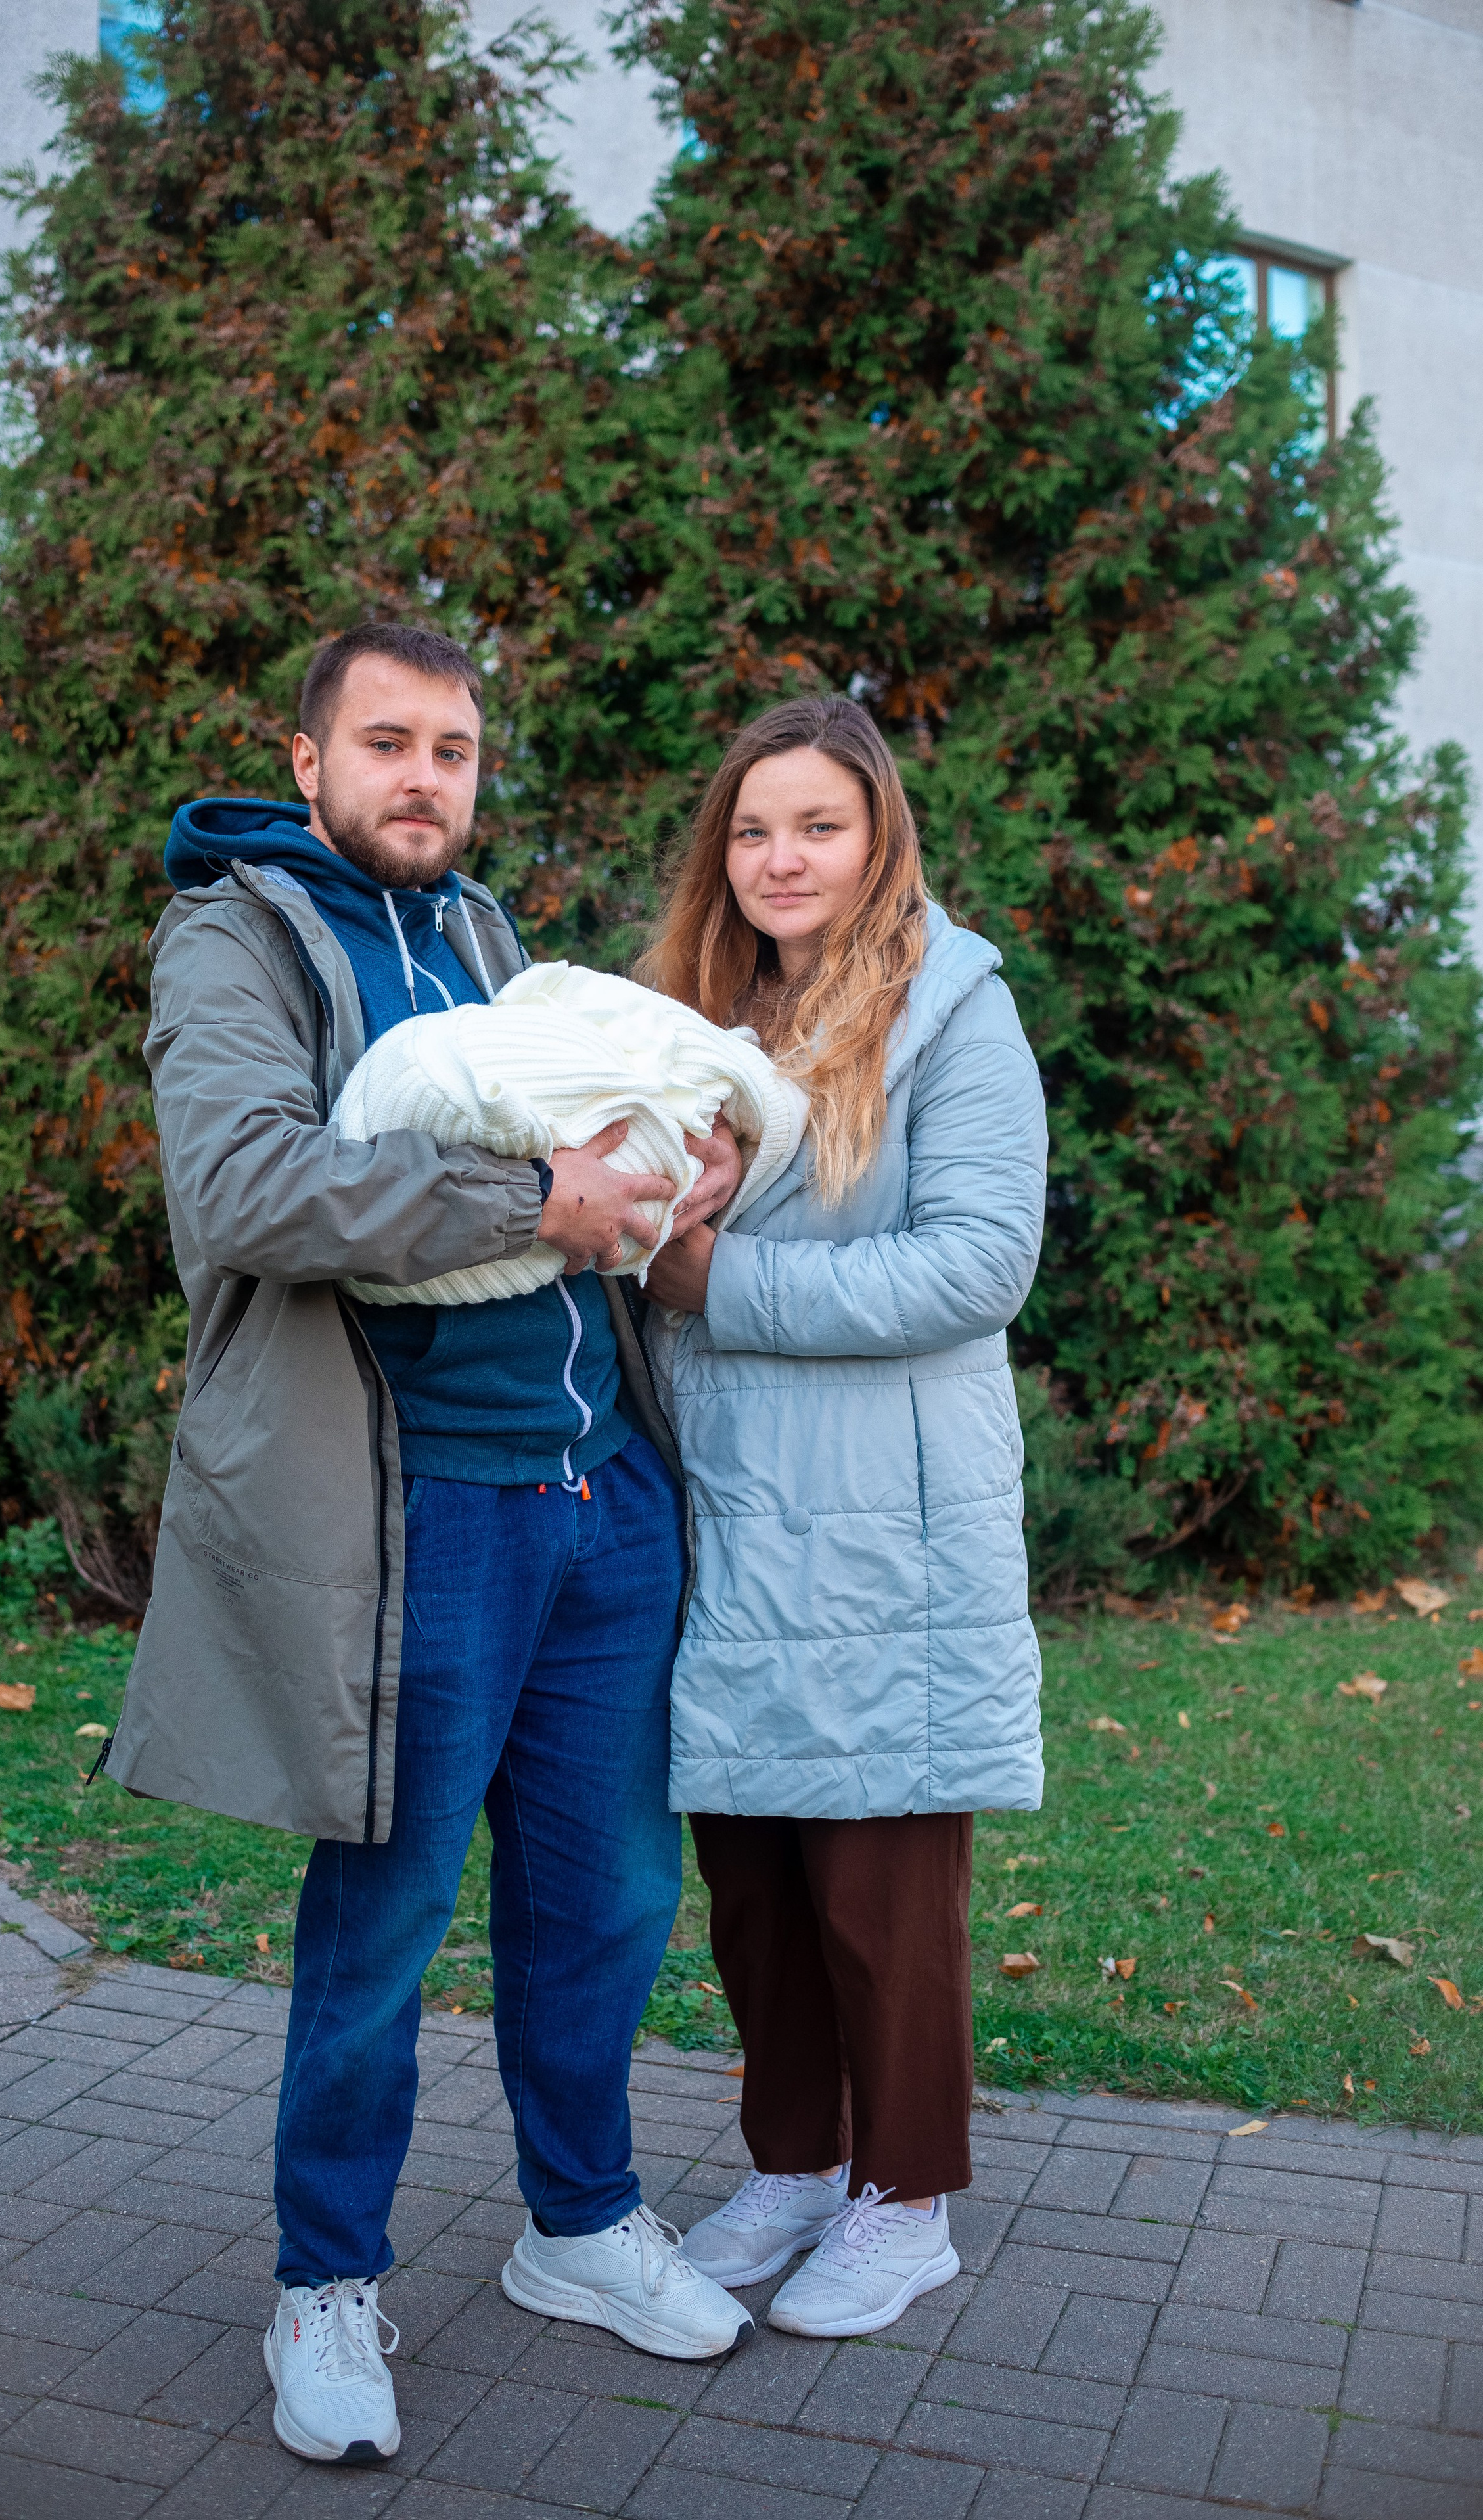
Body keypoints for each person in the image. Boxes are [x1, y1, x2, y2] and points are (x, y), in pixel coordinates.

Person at [105, 621, 754, 2469]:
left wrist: (659, 1169)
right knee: (381, 1917)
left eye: (455, 750)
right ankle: (326, 2279)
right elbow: (241, 1183)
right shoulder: (236, 932)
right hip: (421, 1513)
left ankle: (579, 2221)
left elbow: (576, 1156)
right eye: (387, 743)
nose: (426, 778)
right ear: (306, 760)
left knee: (613, 1895)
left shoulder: (480, 937)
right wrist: (531, 1193)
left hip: (597, 1491)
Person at [635, 695, 1047, 2339]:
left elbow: (976, 1263)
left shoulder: (951, 1008)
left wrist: (720, 1277)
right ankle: (797, 2164)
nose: (779, 857)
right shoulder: (691, 1015)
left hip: (886, 1517)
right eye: (750, 829)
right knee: (752, 1867)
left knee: (879, 1870)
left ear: (877, 838)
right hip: (725, 1509)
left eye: (815, 825)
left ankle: (909, 2199)